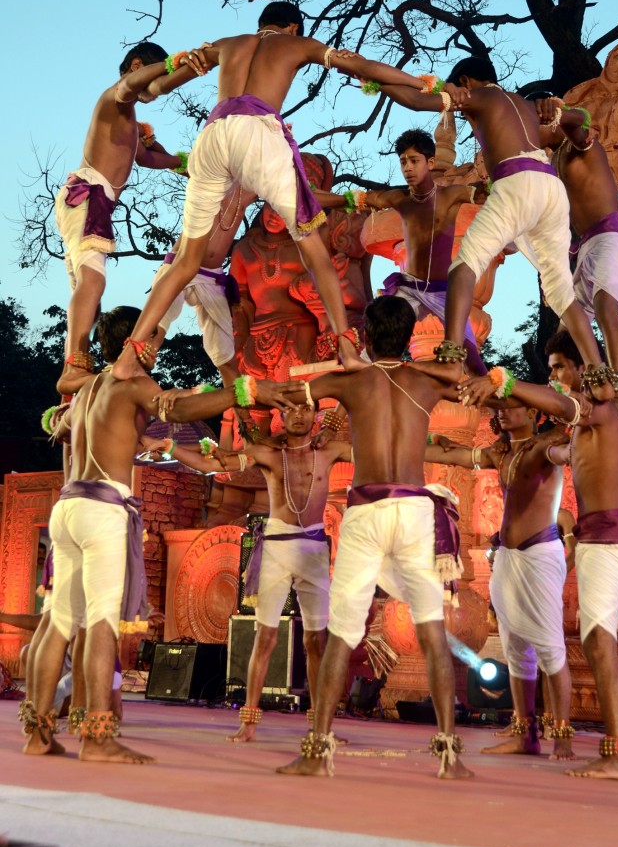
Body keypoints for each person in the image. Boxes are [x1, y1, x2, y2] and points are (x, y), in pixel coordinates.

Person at [19, 306, 290, 762]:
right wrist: (243, 391)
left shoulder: (88, 390)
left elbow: (57, 427)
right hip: (103, 508)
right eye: (158, 338)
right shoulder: (134, 384)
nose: (160, 345)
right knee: (102, 623)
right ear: (139, 341)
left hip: (67, 507)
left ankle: (37, 732)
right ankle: (98, 740)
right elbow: (178, 407)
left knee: (59, 621)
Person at [110, 1, 434, 381]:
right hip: (258, 133)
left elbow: (159, 86)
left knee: (184, 261)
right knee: (314, 249)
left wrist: (142, 90)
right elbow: (359, 65)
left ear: (261, 24)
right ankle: (346, 347)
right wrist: (420, 82)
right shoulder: (297, 45)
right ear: (294, 27)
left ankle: (129, 356)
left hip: (213, 135)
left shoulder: (228, 43)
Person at [277, 295, 472, 780]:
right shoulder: (426, 380)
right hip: (412, 508)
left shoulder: (352, 381)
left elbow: (294, 393)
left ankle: (318, 750)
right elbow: (468, 380)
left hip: (366, 511)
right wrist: (445, 362)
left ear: (365, 336)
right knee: (430, 630)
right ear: (408, 336)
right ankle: (450, 756)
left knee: (342, 631)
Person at [458, 329, 618, 780]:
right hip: (601, 540)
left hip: (606, 540)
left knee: (596, 645)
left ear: (582, 368)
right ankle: (544, 734)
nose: (555, 376)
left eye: (560, 366)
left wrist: (503, 381)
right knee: (550, 643)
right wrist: (470, 354)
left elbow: (559, 415)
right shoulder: (587, 418)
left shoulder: (590, 412)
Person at [374, 56, 613, 397]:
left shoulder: (480, 97)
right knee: (560, 291)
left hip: (517, 182)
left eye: (457, 89)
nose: (456, 101)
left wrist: (371, 77)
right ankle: (595, 367)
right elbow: (581, 120)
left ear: (467, 81)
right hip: (550, 188)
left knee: (462, 269)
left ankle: (452, 355)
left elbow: (414, 100)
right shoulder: (526, 105)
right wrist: (561, 112)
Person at [144, 407, 352, 742]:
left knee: (316, 640)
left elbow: (378, 452)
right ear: (281, 415)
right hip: (276, 549)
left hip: (314, 548)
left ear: (315, 414)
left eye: (305, 409)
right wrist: (171, 448)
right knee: (265, 637)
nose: (298, 414)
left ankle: (321, 725)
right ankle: (249, 722)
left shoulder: (329, 449)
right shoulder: (268, 452)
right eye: (291, 409)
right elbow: (216, 464)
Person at [427, 407, 576, 760]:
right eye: (500, 408)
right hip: (507, 557)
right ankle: (525, 733)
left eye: (513, 407)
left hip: (540, 554)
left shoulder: (544, 448)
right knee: (515, 648)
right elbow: (459, 456)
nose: (504, 412)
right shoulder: (502, 451)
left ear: (532, 411)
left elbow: (566, 452)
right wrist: (411, 444)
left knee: (550, 648)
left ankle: (563, 736)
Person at [54, 42, 193, 396]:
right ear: (136, 66)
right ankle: (74, 367)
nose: (155, 93)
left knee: (89, 290)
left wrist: (185, 163)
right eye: (152, 80)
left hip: (88, 200)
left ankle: (75, 377)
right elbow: (130, 87)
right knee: (93, 283)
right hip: (90, 196)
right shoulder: (114, 98)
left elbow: (145, 158)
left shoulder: (127, 118)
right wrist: (170, 64)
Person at [315, 128, 486, 373]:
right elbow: (351, 200)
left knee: (474, 362)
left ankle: (498, 409)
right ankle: (340, 411)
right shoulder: (399, 199)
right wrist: (312, 197)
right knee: (369, 350)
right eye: (403, 162)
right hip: (410, 289)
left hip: (444, 293)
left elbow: (484, 192)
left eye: (414, 161)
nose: (407, 168)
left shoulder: (450, 196)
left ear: (431, 162)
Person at [533, 94, 618, 394]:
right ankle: (574, 395)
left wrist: (560, 112)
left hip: (611, 237)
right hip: (586, 249)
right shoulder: (551, 163)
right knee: (566, 332)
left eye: (531, 126)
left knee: (607, 312)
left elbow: (581, 121)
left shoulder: (577, 142)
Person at [152, 183, 257, 386]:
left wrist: (339, 201)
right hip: (180, 266)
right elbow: (175, 162)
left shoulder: (253, 187)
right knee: (157, 329)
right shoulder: (211, 174)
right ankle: (131, 370)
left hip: (212, 278)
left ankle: (243, 412)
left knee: (227, 360)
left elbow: (300, 192)